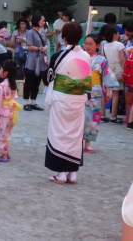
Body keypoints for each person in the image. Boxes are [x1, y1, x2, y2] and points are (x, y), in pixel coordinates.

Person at [44, 21, 90, 185]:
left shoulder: (59, 56)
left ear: (63, 37)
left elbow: (49, 76)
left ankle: (61, 172)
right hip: (78, 99)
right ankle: (72, 172)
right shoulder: (86, 56)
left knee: (60, 133)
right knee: (75, 134)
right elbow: (87, 79)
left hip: (62, 98)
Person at [83, 34, 118, 152]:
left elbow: (107, 75)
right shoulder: (80, 57)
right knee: (78, 117)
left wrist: (108, 89)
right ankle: (76, 142)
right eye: (86, 43)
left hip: (95, 91)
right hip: (80, 90)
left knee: (92, 119)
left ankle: (87, 143)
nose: (87, 46)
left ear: (97, 45)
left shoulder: (102, 60)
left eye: (90, 44)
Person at [0, 60, 21, 162]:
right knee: (7, 133)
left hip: (4, 112)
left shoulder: (2, 85)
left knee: (1, 133)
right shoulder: (12, 85)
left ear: (6, 72)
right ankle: (6, 152)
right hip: (11, 111)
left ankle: (4, 155)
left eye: (1, 69)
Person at [23, 13, 49, 111]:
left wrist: (44, 48)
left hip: (41, 59)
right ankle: (26, 103)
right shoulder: (30, 32)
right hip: (32, 60)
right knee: (29, 81)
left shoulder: (43, 32)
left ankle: (33, 102)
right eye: (42, 20)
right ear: (37, 21)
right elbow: (29, 46)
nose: (44, 22)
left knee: (37, 82)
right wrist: (39, 48)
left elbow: (46, 44)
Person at [101, 25, 126, 123]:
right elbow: (122, 59)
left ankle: (103, 115)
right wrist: (125, 70)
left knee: (105, 93)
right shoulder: (119, 45)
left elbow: (103, 59)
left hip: (107, 70)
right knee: (115, 93)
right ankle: (113, 116)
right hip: (117, 69)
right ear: (115, 34)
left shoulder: (104, 45)